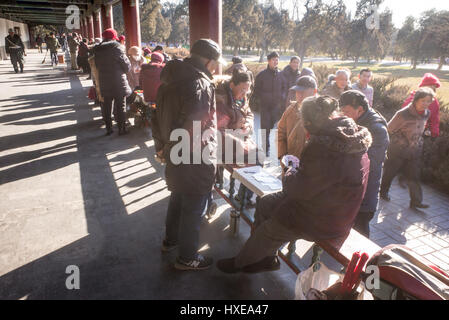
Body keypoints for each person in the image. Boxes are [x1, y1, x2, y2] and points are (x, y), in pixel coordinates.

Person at [216, 95, 372, 274]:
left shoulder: (322, 146)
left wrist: (289, 169)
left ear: (310, 122)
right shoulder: (349, 133)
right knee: (266, 202)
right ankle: (266, 258)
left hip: (325, 217)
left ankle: (241, 262)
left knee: (272, 227)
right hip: (333, 206)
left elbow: (297, 189)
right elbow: (315, 181)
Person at [152, 39, 226, 270]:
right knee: (194, 206)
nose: (216, 68)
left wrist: (162, 146)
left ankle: (170, 241)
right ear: (208, 60)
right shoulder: (200, 84)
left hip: (174, 151)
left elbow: (155, 116)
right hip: (195, 155)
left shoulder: (169, 80)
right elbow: (195, 125)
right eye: (215, 63)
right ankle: (187, 257)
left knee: (177, 198)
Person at [340, 90, 389, 237]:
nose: (343, 115)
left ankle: (365, 260)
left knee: (360, 233)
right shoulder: (354, 121)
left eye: (346, 111)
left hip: (364, 193)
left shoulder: (377, 130)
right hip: (350, 189)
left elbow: (369, 164)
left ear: (360, 110)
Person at [380, 87, 436, 210]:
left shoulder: (427, 113)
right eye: (423, 101)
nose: (426, 104)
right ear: (416, 100)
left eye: (428, 101)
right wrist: (401, 139)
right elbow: (389, 128)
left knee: (414, 176)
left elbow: (421, 127)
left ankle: (416, 201)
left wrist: (424, 133)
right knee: (390, 172)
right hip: (398, 150)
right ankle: (383, 191)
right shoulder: (403, 114)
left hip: (414, 150)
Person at [93, 28, 132, 136]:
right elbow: (127, 66)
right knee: (121, 106)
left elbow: (97, 66)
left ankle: (109, 129)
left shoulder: (97, 50)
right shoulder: (117, 48)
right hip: (118, 81)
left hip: (104, 81)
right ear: (114, 37)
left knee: (107, 105)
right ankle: (121, 129)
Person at [252, 51, 287, 156]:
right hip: (265, 106)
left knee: (272, 126)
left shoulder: (281, 74)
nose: (275, 62)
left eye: (277, 60)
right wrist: (260, 100)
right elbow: (256, 90)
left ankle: (268, 145)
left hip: (276, 106)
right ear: (268, 61)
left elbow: (284, 88)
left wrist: (282, 98)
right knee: (265, 128)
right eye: (273, 60)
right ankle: (265, 149)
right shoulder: (262, 75)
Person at [277, 76, 318, 162]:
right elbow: (280, 133)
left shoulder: (321, 112)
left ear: (314, 91)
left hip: (311, 167)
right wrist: (283, 157)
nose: (299, 95)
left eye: (303, 92)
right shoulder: (291, 109)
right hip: (290, 166)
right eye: (297, 91)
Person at [401, 73, 441, 139]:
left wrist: (434, 133)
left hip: (424, 131)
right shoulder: (413, 99)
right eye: (429, 89)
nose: (430, 92)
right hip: (409, 129)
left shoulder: (434, 102)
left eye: (433, 90)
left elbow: (434, 119)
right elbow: (404, 115)